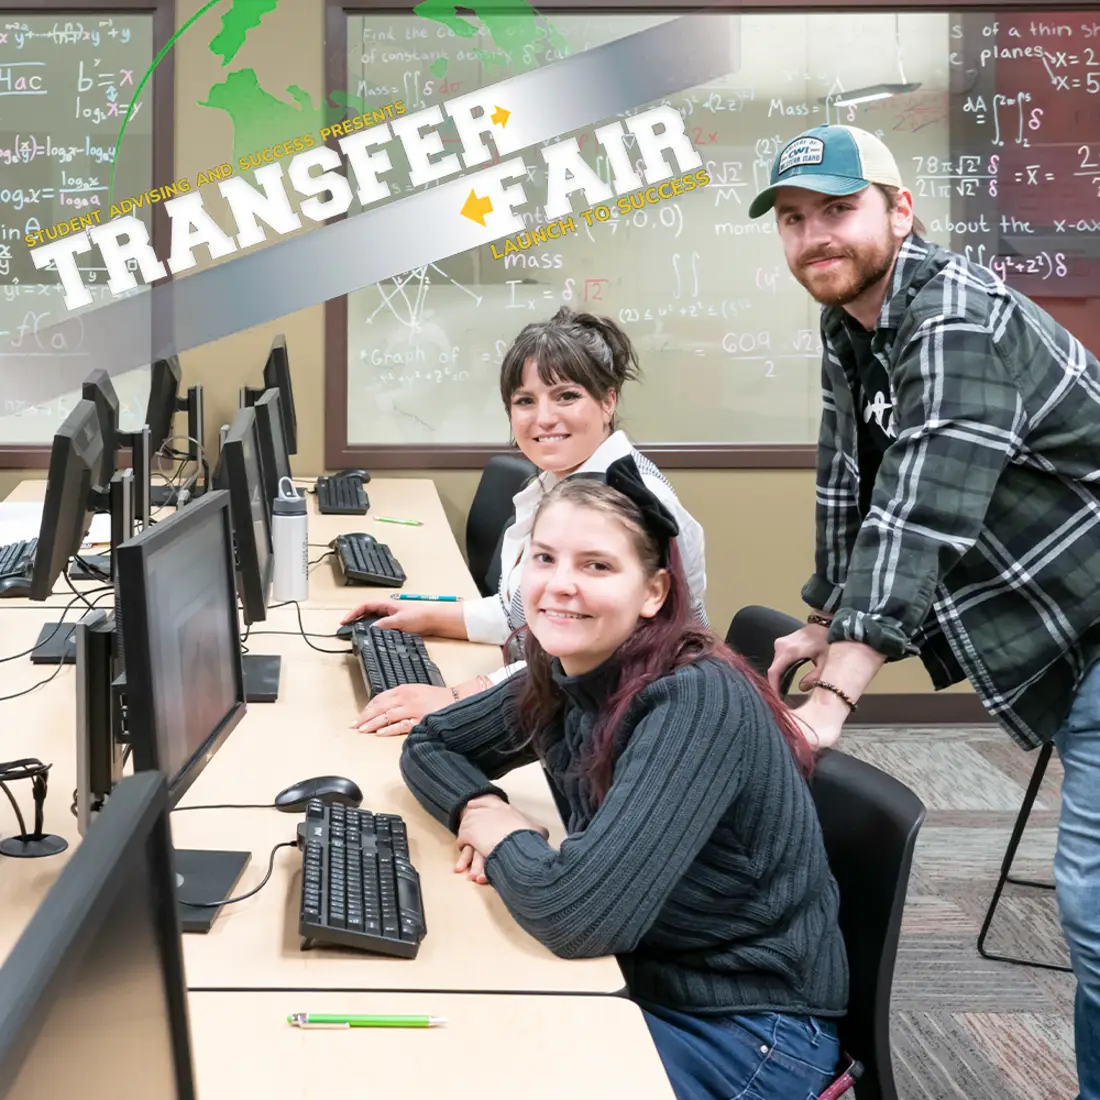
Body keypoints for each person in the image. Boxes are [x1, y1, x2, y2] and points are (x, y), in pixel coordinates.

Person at [748, 122, 1100, 1099]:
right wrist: (822, 614)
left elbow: (922, 505)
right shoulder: (849, 325)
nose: (812, 236)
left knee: (1092, 904)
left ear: (900, 211)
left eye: (836, 209)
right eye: (790, 219)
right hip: (1061, 629)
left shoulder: (949, 309)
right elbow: (852, 484)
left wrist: (829, 702)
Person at [398, 456, 848, 1100]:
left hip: (749, 1032)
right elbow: (432, 741)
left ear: (654, 593)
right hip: (645, 972)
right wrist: (478, 802)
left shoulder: (693, 700)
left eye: (596, 566)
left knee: (473, 1065)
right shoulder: (570, 664)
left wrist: (502, 837)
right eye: (544, 558)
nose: (558, 586)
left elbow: (579, 915)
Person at [343, 307, 708, 737]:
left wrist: (460, 696)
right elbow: (520, 613)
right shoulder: (560, 483)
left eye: (566, 396)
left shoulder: (621, 502)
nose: (544, 418)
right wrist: (423, 615)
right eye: (525, 401)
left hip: (631, 725)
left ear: (608, 400)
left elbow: (594, 658)